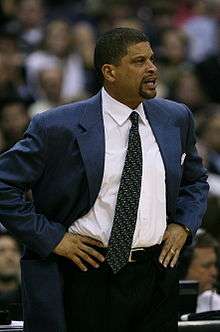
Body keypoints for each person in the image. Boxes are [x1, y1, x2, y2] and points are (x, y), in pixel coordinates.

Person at [0, 27, 209, 332]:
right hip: (87, 273)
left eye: (152, 58)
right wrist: (52, 238)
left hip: (156, 274)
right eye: (139, 61)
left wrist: (184, 223)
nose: (152, 68)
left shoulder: (176, 117)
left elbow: (195, 181)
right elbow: (4, 184)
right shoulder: (56, 126)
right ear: (109, 72)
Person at [180, 230, 220, 313]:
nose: (214, 273)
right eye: (206, 266)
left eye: (214, 265)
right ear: (183, 267)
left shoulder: (216, 304)